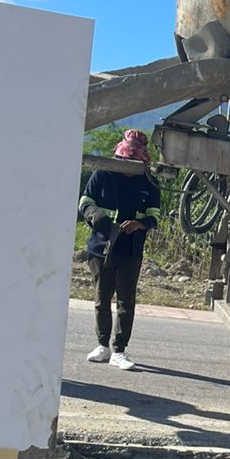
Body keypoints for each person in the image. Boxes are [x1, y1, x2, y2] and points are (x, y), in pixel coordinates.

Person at [79, 129, 161, 371]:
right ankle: (102, 345)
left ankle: (119, 350)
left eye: (133, 160)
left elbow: (155, 215)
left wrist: (140, 224)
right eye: (125, 158)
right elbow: (85, 201)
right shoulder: (102, 174)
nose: (128, 163)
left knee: (126, 301)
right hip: (101, 246)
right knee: (101, 298)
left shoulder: (148, 183)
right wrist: (96, 216)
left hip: (130, 249)